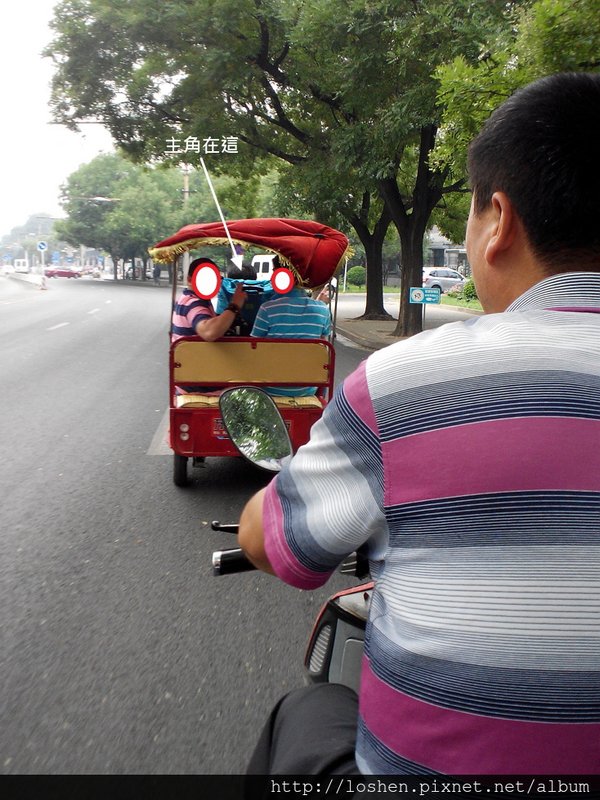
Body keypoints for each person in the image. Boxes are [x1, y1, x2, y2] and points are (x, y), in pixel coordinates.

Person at [238, 72, 600, 776]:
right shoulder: (315, 318)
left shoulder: (404, 383)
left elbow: (268, 539)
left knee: (306, 712)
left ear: (499, 220)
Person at [250, 274, 331, 396]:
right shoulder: (323, 310)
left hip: (269, 387)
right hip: (307, 389)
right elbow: (321, 345)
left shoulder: (267, 308)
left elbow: (252, 348)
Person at [171, 257, 247, 343]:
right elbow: (209, 332)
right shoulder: (193, 304)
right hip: (195, 355)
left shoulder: (185, 298)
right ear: (190, 280)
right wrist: (234, 305)